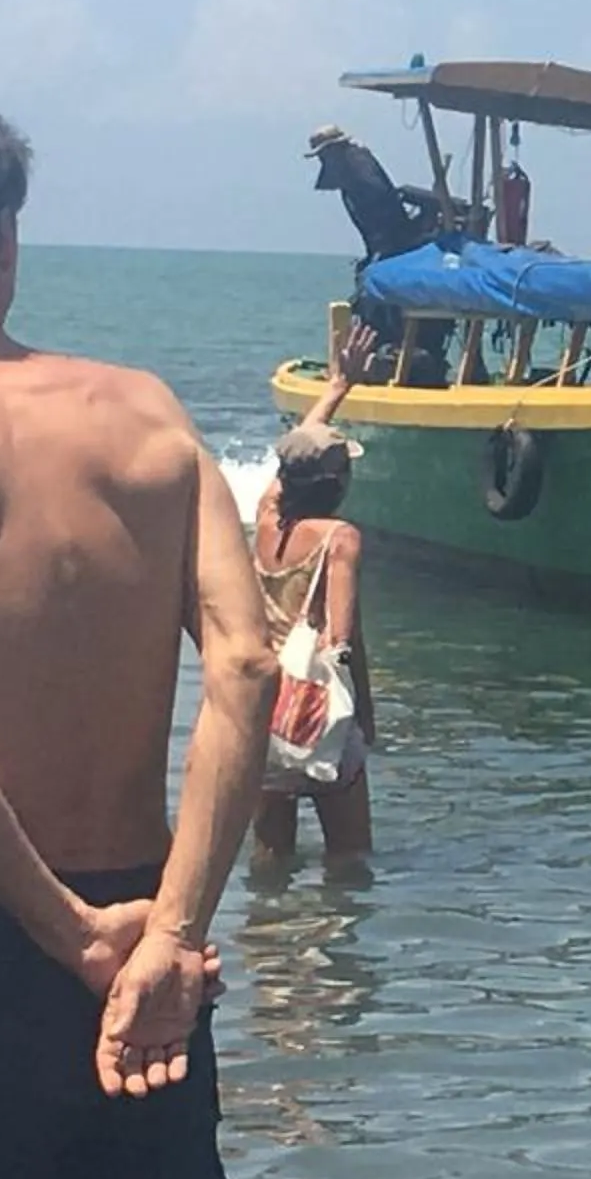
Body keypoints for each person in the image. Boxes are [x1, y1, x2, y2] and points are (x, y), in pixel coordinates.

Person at [0, 92, 278, 1179]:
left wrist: (71, 932)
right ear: (7, 242)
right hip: (155, 948)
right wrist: (165, 936)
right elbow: (245, 666)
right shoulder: (147, 414)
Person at [251, 322, 379, 859]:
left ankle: (264, 942)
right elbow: (340, 643)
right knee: (349, 862)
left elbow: (295, 459)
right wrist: (365, 717)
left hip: (264, 709)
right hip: (315, 707)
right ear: (339, 484)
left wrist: (335, 389)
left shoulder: (264, 521)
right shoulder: (340, 540)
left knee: (269, 863)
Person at [306, 124, 446, 266]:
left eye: (323, 154)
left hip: (395, 239)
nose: (322, 159)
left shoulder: (356, 164)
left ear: (334, 149)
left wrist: (384, 247)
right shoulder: (348, 171)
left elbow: (380, 201)